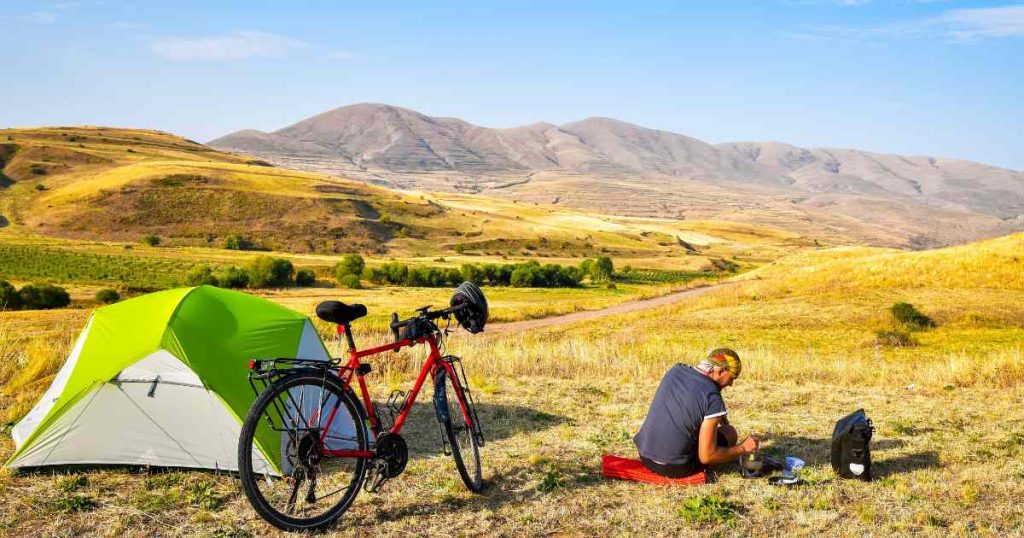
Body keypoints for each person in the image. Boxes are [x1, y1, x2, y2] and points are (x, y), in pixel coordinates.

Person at [633, 348, 758, 477]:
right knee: (730, 433)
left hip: (645, 456)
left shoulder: (676, 370)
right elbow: (707, 456)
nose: (731, 384)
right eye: (732, 378)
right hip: (674, 467)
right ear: (721, 371)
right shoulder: (712, 397)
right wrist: (743, 448)